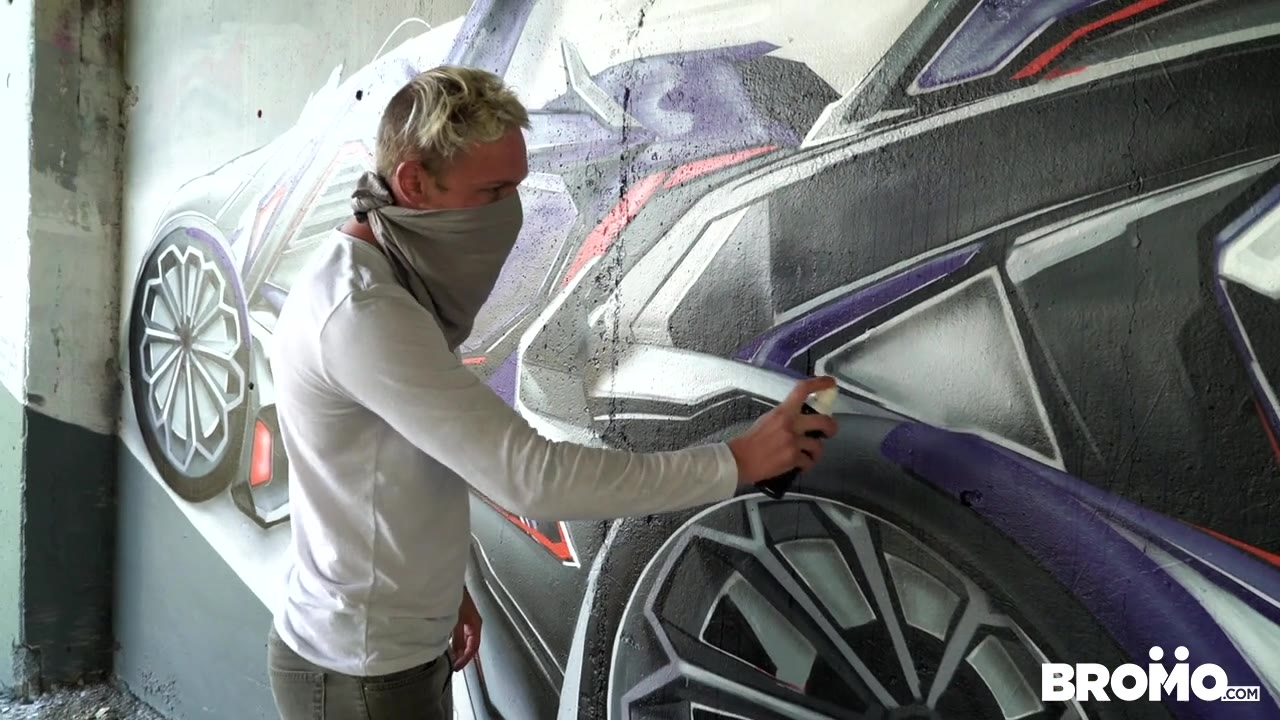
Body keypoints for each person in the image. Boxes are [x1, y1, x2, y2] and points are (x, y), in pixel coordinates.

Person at [265, 65, 839, 719]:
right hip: (360, 675)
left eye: (515, 187)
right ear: (414, 183)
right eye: (491, 192)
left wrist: (445, 589)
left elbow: (398, 460)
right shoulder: (363, 313)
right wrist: (736, 461)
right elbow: (531, 477)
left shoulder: (388, 275)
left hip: (390, 649)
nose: (509, 214)